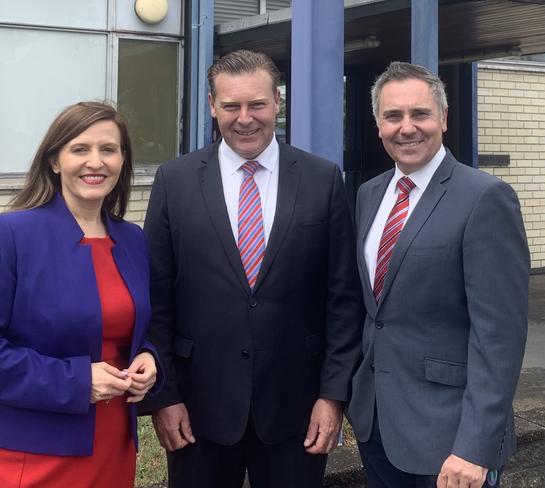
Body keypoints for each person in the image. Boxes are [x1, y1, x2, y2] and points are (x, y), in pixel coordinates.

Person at [140, 49, 363, 488]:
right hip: (197, 412)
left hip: (296, 410)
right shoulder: (175, 181)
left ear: (277, 101)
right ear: (212, 106)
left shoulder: (323, 179)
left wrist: (332, 396)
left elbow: (343, 298)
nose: (245, 118)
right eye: (231, 106)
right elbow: (156, 297)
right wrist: (165, 397)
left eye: (257, 104)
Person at [0, 101, 159, 488]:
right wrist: (76, 381)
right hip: (28, 451)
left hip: (112, 444)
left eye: (108, 149)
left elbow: (128, 326)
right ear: (54, 161)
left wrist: (149, 357)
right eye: (80, 149)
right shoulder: (11, 234)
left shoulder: (132, 239)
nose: (95, 162)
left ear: (122, 160)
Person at [346, 62, 530, 488]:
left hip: (451, 441)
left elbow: (499, 336)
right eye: (393, 116)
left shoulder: (485, 198)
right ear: (378, 125)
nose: (406, 128)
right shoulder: (369, 194)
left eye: (420, 114)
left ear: (443, 118)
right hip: (377, 426)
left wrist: (475, 447)